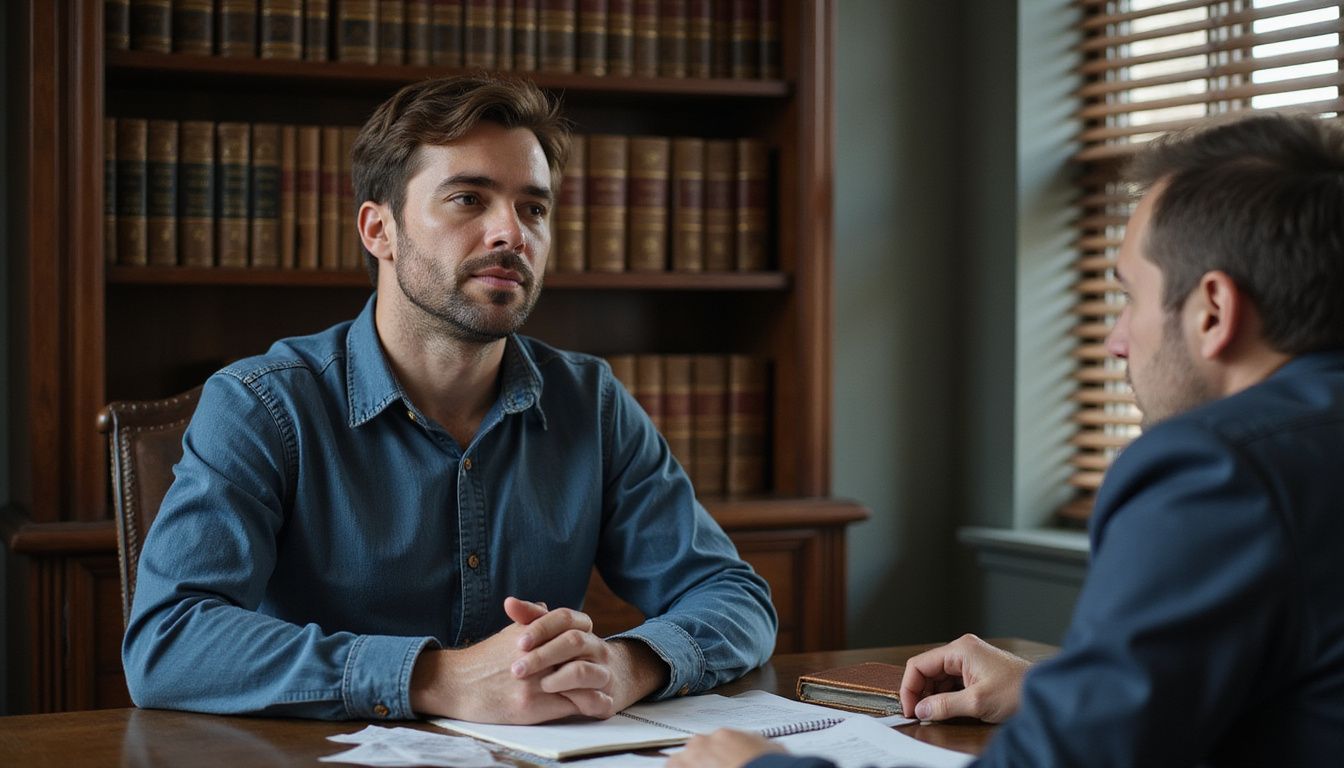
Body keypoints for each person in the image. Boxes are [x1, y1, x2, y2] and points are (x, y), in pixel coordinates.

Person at [670, 112, 1344, 767]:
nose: (1115, 340)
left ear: (1214, 311)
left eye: (1131, 298)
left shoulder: (1216, 469)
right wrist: (1057, 694)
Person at [121, 74, 777, 723]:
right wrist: (439, 677)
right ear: (378, 230)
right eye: (469, 199)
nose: (511, 234)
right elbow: (168, 641)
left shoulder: (589, 401)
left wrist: (628, 664)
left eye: (534, 208)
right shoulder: (263, 405)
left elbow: (734, 596)